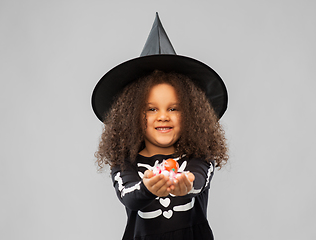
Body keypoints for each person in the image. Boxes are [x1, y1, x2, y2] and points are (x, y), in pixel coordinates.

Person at [91, 13, 229, 240]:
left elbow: (199, 181)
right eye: (151, 109)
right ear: (131, 116)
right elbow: (128, 195)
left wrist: (187, 184)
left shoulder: (200, 156)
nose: (163, 117)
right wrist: (147, 188)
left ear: (192, 115)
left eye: (173, 109)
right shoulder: (124, 163)